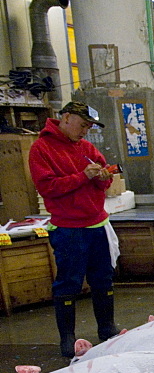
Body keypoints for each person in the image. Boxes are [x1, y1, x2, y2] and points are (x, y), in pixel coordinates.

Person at [28, 101, 117, 357]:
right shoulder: (41, 149)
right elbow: (47, 187)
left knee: (103, 278)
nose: (86, 131)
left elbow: (106, 179)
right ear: (66, 118)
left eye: (89, 126)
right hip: (68, 229)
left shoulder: (88, 148)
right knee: (69, 283)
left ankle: (107, 329)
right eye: (83, 124)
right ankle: (67, 337)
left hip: (97, 225)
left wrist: (104, 177)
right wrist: (83, 176)